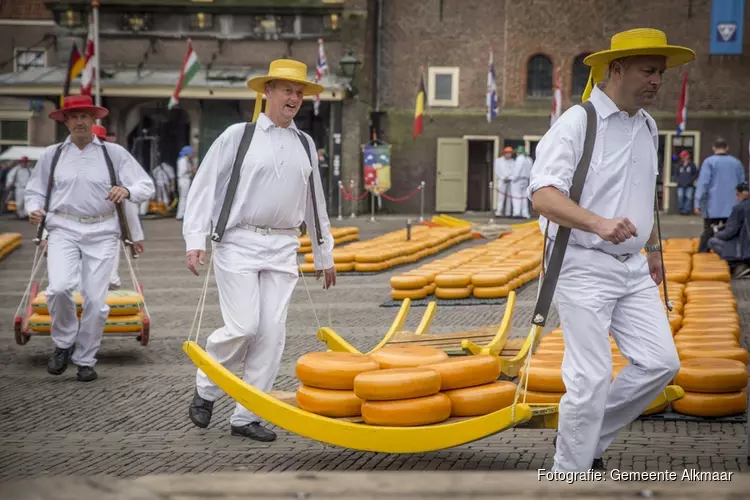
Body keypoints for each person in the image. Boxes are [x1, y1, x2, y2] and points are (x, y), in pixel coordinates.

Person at [527, 28, 693, 472]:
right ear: (616, 69)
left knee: (662, 362)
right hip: (581, 265)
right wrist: (598, 223)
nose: (658, 80)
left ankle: (585, 438)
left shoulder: (648, 124)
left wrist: (653, 247)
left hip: (634, 267)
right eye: (648, 70)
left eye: (661, 72)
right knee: (591, 377)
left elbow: (643, 190)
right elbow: (543, 196)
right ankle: (570, 473)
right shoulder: (578, 121)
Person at [182, 59, 336, 442]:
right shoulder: (239, 136)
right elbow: (203, 186)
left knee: (271, 333)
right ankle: (206, 387)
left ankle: (247, 415)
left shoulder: (305, 143)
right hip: (239, 241)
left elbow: (316, 202)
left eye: (299, 92)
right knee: (244, 325)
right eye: (286, 90)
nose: (294, 98)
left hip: (284, 246)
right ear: (266, 92)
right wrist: (195, 239)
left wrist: (324, 254)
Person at [24, 95, 154, 382]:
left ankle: (86, 358)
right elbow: (34, 191)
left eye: (85, 116)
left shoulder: (113, 153)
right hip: (63, 228)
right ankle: (63, 343)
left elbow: (145, 184)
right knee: (58, 289)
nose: (80, 121)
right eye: (74, 116)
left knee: (96, 300)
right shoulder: (52, 155)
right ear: (66, 121)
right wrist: (33, 209)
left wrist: (127, 191)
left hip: (103, 230)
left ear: (94, 121)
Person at [91, 124, 146, 289]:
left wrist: (135, 236)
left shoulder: (116, 169)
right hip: (74, 230)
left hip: (108, 229)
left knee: (108, 278)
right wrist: (46, 235)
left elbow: (128, 207)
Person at [694, 137, 746, 252]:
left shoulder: (709, 162)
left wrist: (698, 203)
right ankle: (730, 254)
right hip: (733, 205)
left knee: (709, 231)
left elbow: (703, 184)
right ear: (727, 148)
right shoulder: (736, 163)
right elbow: (743, 185)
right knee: (732, 232)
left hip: (713, 205)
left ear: (713, 148)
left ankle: (703, 254)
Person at [707, 182, 750, 278]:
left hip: (745, 251)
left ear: (741, 194)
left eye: (737, 194)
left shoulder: (739, 208)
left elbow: (730, 232)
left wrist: (717, 233)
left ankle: (738, 265)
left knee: (712, 242)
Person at [674, 150, 698, 215]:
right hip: (680, 185)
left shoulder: (692, 165)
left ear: (688, 156)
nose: (683, 158)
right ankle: (681, 210)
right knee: (680, 197)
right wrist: (678, 181)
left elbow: (695, 174)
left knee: (688, 198)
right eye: (682, 156)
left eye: (685, 156)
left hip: (689, 185)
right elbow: (676, 175)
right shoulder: (679, 165)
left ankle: (686, 211)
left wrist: (690, 180)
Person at [176, 145, 196, 220]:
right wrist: (192, 169)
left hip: (185, 180)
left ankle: (182, 214)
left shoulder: (186, 160)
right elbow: (183, 171)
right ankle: (181, 215)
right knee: (184, 198)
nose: (192, 155)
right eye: (191, 153)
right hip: (184, 180)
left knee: (184, 198)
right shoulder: (183, 160)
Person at [494, 146, 515, 217]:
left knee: (509, 197)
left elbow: (514, 171)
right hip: (502, 180)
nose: (509, 155)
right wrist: (503, 177)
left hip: (510, 180)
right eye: (508, 153)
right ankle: (499, 211)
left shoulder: (513, 161)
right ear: (504, 153)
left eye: (510, 153)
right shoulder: (498, 161)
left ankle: (508, 212)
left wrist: (509, 177)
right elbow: (497, 170)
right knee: (501, 197)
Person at [512, 146, 533, 219]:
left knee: (516, 196)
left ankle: (517, 213)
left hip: (518, 179)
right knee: (524, 197)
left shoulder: (520, 159)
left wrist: (513, 178)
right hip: (526, 179)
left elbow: (517, 169)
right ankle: (525, 214)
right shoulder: (529, 159)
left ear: (518, 152)